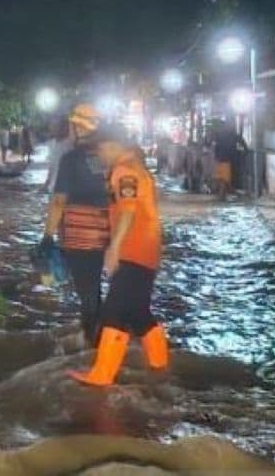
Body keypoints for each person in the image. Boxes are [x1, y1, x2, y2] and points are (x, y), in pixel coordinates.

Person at [69, 127, 169, 387]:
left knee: (113, 312)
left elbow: (127, 211)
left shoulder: (124, 171)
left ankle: (102, 375)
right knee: (138, 313)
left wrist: (114, 247)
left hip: (133, 251)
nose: (100, 156)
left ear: (112, 146)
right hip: (147, 250)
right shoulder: (136, 167)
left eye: (101, 150)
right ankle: (160, 366)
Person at [45, 104, 110, 345]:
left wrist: (47, 235)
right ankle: (102, 337)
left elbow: (59, 200)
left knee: (87, 291)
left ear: (77, 127)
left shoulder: (70, 159)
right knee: (96, 286)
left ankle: (93, 341)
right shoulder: (109, 157)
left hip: (79, 233)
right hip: (109, 232)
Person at [45, 117, 73, 194]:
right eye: (51, 126)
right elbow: (51, 166)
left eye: (56, 126)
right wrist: (46, 184)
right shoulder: (51, 144)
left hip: (68, 190)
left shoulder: (71, 144)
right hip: (53, 188)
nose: (52, 128)